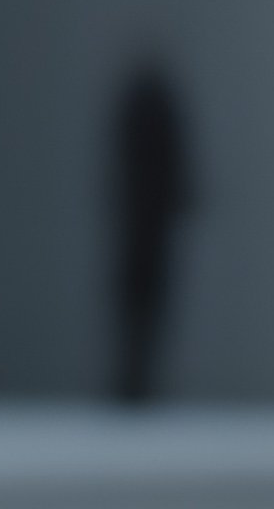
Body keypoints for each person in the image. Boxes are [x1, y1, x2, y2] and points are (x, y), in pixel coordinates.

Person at [108, 59, 196, 403]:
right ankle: (135, 384)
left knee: (138, 308)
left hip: (140, 220)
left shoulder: (139, 105)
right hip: (146, 222)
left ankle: (133, 384)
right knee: (144, 307)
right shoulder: (155, 105)